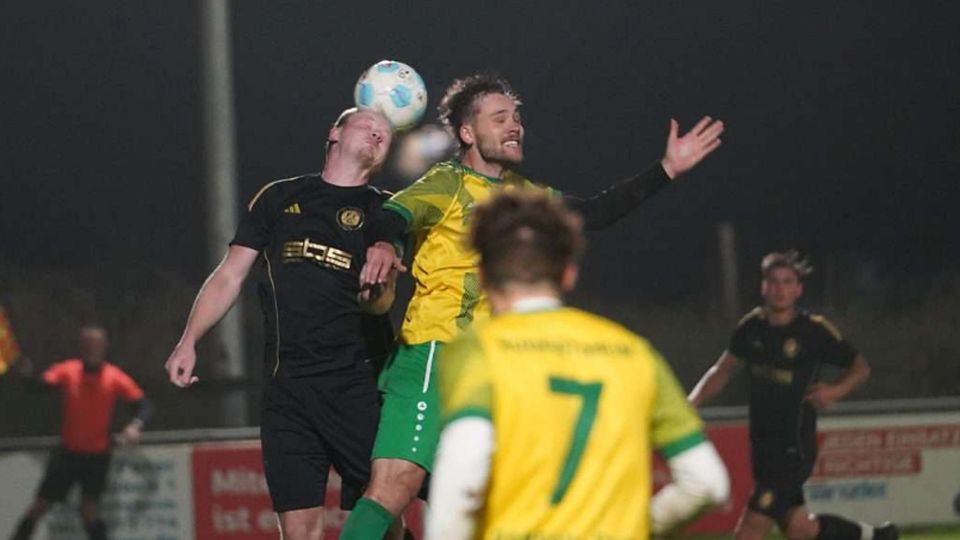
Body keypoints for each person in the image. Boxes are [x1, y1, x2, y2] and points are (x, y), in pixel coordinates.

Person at [340, 73, 725, 538]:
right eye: (499, 117)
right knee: (395, 484)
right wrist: (384, 245)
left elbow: (594, 212)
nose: (515, 125)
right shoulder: (446, 182)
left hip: (502, 363)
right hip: (435, 352)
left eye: (517, 117)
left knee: (493, 505)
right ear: (467, 133)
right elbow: (392, 215)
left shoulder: (524, 195)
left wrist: (666, 169)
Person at [423, 191, 728, 539]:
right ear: (569, 274)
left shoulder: (479, 348)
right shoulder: (634, 353)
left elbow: (464, 472)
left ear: (482, 276)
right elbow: (707, 482)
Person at [164, 107, 400, 540]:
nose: (378, 134)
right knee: (298, 531)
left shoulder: (385, 209)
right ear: (335, 132)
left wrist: (377, 291)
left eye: (386, 134)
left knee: (382, 519)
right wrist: (189, 340)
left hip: (356, 387)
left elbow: (385, 291)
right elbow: (230, 275)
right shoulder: (279, 197)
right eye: (368, 125)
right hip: (287, 391)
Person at [688, 251, 899, 540]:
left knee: (749, 531)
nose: (780, 289)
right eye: (774, 281)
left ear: (798, 290)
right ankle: (875, 536)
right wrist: (691, 403)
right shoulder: (751, 327)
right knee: (801, 529)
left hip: (793, 448)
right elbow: (722, 369)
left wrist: (835, 390)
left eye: (787, 282)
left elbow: (860, 367)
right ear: (764, 287)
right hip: (762, 446)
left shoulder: (813, 330)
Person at [11, 325, 150, 540]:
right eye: (88, 346)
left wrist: (135, 425)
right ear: (81, 347)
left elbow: (143, 405)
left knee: (89, 513)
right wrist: (26, 375)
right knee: (39, 506)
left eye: (96, 346)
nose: (92, 350)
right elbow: (38, 386)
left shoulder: (114, 377)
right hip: (68, 453)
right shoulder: (67, 371)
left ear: (104, 348)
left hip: (96, 456)